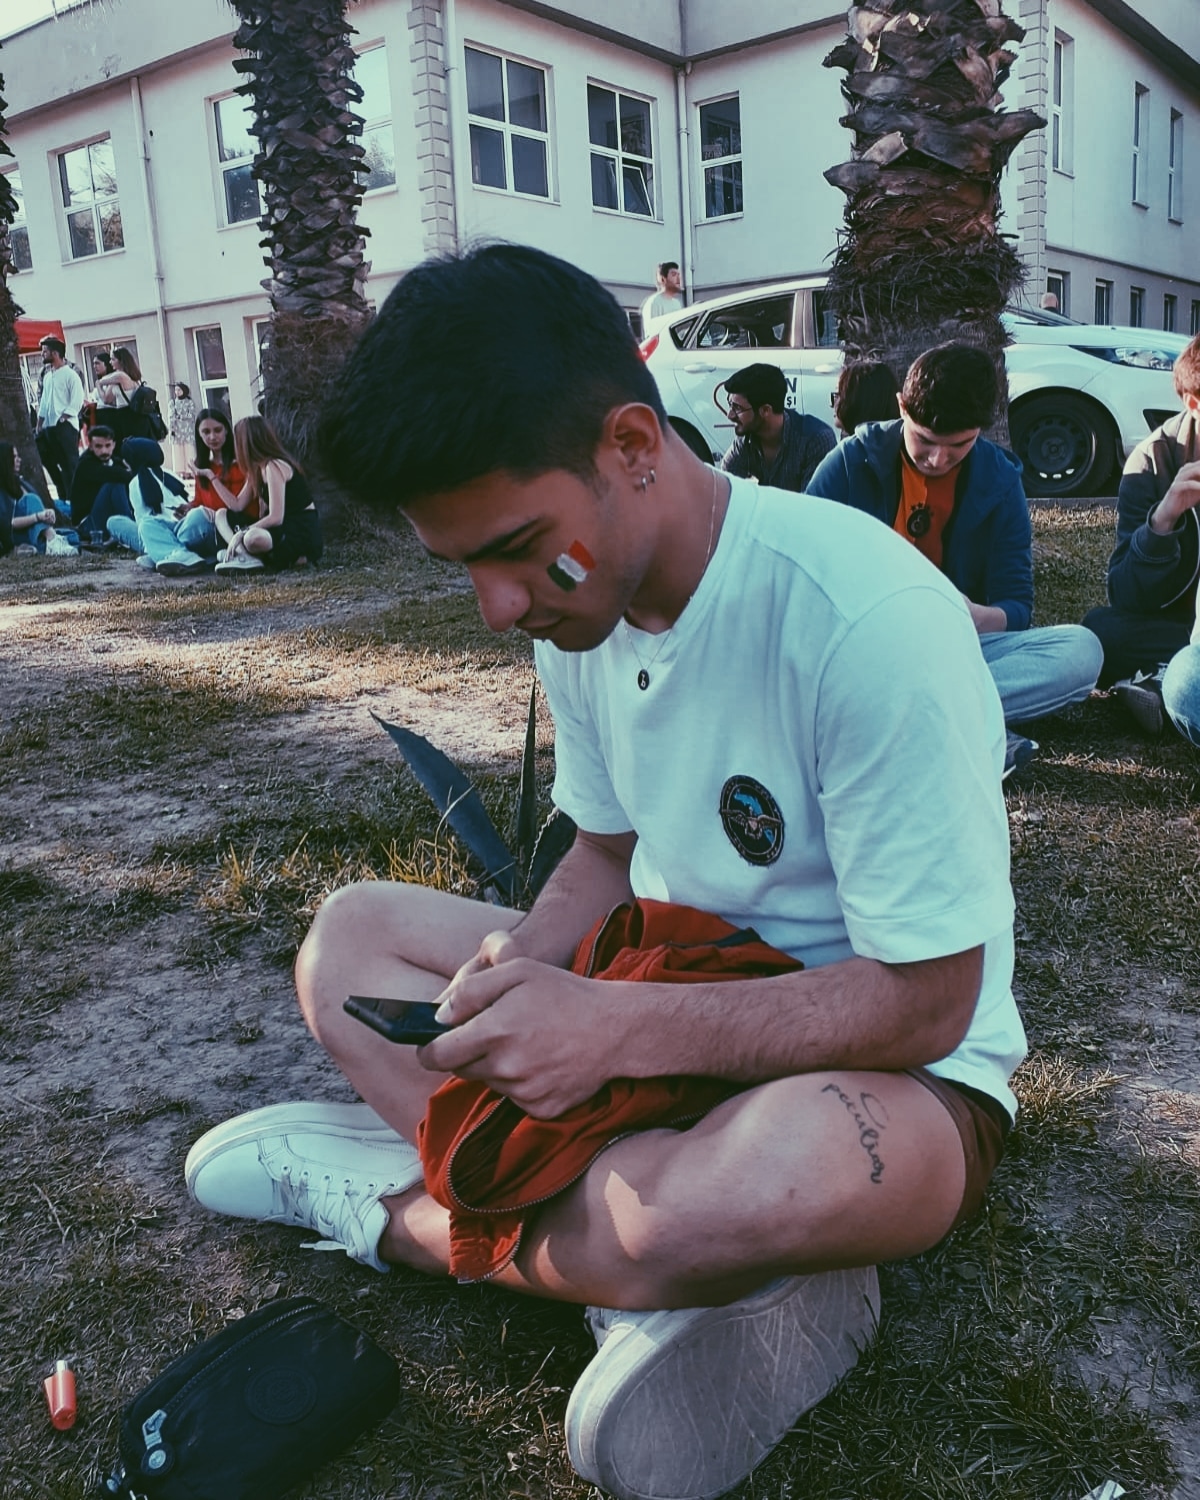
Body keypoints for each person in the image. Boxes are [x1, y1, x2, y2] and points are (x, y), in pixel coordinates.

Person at [184, 245, 1026, 1500]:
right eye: (465, 566)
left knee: (754, 1179)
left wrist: (612, 1030)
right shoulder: (580, 611)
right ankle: (666, 1268)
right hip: (660, 985)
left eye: (519, 547)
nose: (496, 605)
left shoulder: (861, 617)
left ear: (633, 444)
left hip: (885, 1077)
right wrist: (523, 968)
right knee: (347, 945)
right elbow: (604, 851)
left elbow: (930, 1002)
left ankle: (394, 1211)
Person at [806, 342, 1103, 776]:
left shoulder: (1000, 480)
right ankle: (952, 722)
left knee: (1081, 651)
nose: (937, 459)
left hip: (957, 649)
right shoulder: (850, 463)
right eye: (924, 440)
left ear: (981, 430)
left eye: (959, 445)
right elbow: (800, 570)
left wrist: (972, 616)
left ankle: (901, 715)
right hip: (861, 649)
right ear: (901, 407)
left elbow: (1016, 606)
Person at [1081, 333, 1200, 741]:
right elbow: (1126, 596)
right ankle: (1170, 682)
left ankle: (1159, 684)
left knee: (1185, 677)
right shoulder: (1152, 461)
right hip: (1181, 631)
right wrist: (1163, 521)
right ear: (1193, 403)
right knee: (1100, 632)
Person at [203, 415, 322, 574]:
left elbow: (276, 517)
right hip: (278, 529)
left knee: (252, 538)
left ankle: (249, 555)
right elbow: (237, 505)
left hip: (298, 529)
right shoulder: (256, 469)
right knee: (221, 515)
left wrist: (241, 533)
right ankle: (244, 556)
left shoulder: (274, 466)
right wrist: (211, 477)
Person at [719, 363, 836, 491]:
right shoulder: (746, 439)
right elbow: (723, 486)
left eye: (737, 408)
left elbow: (812, 500)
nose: (730, 415)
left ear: (765, 410)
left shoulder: (815, 440)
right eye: (730, 404)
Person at [105, 437, 199, 575]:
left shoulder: (136, 483)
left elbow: (144, 522)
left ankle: (157, 553)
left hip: (159, 534)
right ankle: (166, 552)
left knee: (114, 522)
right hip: (183, 530)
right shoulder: (170, 474)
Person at [0, 441, 79, 556]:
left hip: (32, 531)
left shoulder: (20, 482)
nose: (19, 460)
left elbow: (37, 510)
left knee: (73, 536)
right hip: (15, 534)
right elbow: (9, 523)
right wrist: (38, 517)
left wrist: (47, 514)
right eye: (14, 457)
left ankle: (43, 546)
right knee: (30, 499)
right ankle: (51, 541)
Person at [34, 336, 85, 501]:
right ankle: (63, 494)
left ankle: (77, 498)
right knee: (50, 461)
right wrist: (39, 423)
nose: (42, 354)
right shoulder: (48, 376)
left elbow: (77, 399)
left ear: (55, 353)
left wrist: (63, 418)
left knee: (70, 464)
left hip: (65, 427)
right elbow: (44, 402)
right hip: (49, 428)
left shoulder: (71, 375)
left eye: (45, 351)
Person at [68, 424, 134, 542]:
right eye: (98, 446)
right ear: (90, 446)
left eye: (107, 445)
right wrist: (128, 473)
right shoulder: (86, 464)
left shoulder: (115, 461)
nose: (104, 451)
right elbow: (117, 475)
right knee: (114, 484)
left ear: (113, 445)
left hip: (105, 518)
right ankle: (130, 530)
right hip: (88, 524)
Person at [96, 346, 153, 450]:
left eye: (113, 359)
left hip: (128, 415)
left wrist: (98, 385)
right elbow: (107, 399)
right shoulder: (130, 376)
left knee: (131, 447)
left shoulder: (120, 376)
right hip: (130, 416)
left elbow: (102, 383)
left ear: (121, 361)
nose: (110, 362)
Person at [833, 360, 901, 435]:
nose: (832, 404)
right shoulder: (901, 438)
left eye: (837, 395)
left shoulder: (854, 443)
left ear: (857, 400)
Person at [639, 260, 684, 336]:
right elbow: (652, 334)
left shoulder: (677, 303)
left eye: (679, 275)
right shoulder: (654, 303)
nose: (679, 278)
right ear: (663, 279)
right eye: (674, 275)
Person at [168, 382, 197, 476]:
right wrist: (171, 429)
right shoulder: (172, 403)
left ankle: (191, 471)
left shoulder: (189, 402)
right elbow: (171, 416)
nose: (177, 392)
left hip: (188, 431)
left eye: (179, 390)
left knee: (189, 450)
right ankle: (180, 472)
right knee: (178, 452)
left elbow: (192, 415)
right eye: (176, 390)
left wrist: (181, 417)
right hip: (177, 431)